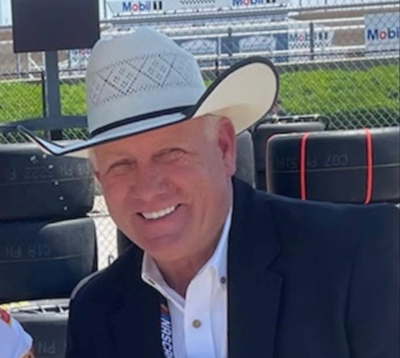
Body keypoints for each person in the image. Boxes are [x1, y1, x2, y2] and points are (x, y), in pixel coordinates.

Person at [21, 27, 399, 358]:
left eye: (170, 153)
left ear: (223, 148)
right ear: (99, 177)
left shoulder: (357, 255)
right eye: (121, 164)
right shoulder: (96, 311)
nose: (148, 188)